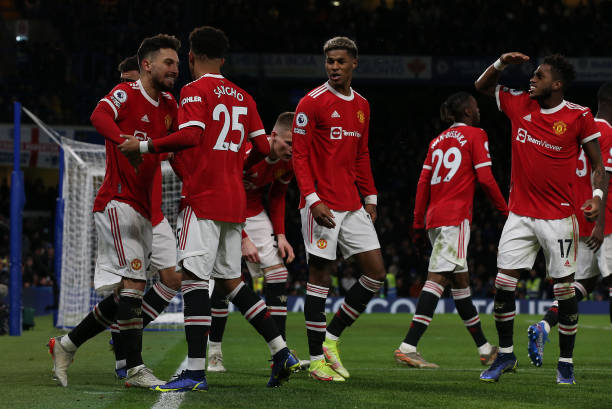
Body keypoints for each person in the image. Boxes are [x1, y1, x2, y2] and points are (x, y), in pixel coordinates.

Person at [119, 26, 299, 391]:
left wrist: (144, 146)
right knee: (232, 282)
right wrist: (236, 169)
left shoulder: (194, 90)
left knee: (194, 279)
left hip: (203, 198)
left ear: (190, 57)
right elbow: (264, 149)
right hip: (235, 203)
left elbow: (191, 136)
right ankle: (282, 352)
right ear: (223, 59)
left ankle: (196, 371)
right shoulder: (245, 97)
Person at [48, 34, 181, 388]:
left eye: (178, 64)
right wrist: (125, 142)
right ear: (147, 66)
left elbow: (182, 144)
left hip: (150, 209)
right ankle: (133, 367)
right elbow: (98, 113)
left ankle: (67, 344)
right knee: (134, 282)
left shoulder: (170, 105)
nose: (175, 69)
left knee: (166, 281)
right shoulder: (127, 95)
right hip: (118, 202)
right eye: (169, 62)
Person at [474, 52, 606, 384]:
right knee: (503, 286)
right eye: (532, 74)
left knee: (564, 291)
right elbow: (481, 86)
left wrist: (596, 197)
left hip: (559, 218)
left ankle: (565, 362)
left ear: (557, 84)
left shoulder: (579, 116)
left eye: (540, 76)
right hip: (519, 214)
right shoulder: (520, 105)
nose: (531, 79)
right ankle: (505, 356)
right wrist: (501, 62)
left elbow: (599, 166)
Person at [292, 36, 385, 382]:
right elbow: (299, 157)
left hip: (352, 202)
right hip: (321, 203)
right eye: (329, 61)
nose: (334, 67)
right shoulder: (311, 103)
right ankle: (316, 359)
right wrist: (313, 200)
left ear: (354, 63)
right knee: (319, 278)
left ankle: (330, 340)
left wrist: (371, 196)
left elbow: (361, 154)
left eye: (340, 61)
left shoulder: (362, 104)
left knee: (375, 272)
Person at [394, 92, 508, 369]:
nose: (479, 111)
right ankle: (408, 347)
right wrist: (506, 211)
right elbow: (486, 178)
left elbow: (423, 185)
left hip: (435, 218)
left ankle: (484, 349)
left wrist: (418, 225)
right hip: (454, 218)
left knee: (461, 285)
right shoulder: (476, 135)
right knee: (438, 280)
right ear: (468, 112)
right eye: (477, 107)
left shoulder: (436, 142)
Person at [527, 81, 612, 367]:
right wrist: (600, 226)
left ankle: (544, 326)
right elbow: (604, 177)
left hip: (574, 219)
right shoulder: (606, 132)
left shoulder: (578, 127)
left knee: (582, 283)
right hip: (602, 222)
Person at [109, 54, 182, 380]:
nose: (127, 88)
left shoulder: (160, 111)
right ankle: (126, 358)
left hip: (155, 214)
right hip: (125, 209)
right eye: (123, 82)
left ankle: (123, 335)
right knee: (127, 289)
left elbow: (173, 146)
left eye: (131, 81)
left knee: (172, 280)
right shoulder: (119, 127)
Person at [207, 111, 298, 372]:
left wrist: (280, 235)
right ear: (272, 136)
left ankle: (280, 352)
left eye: (297, 144)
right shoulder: (247, 154)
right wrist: (243, 239)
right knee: (226, 279)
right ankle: (214, 352)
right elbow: (226, 188)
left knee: (279, 273)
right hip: (225, 208)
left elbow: (278, 196)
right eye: (288, 143)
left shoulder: (287, 163)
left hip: (255, 211)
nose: (292, 149)